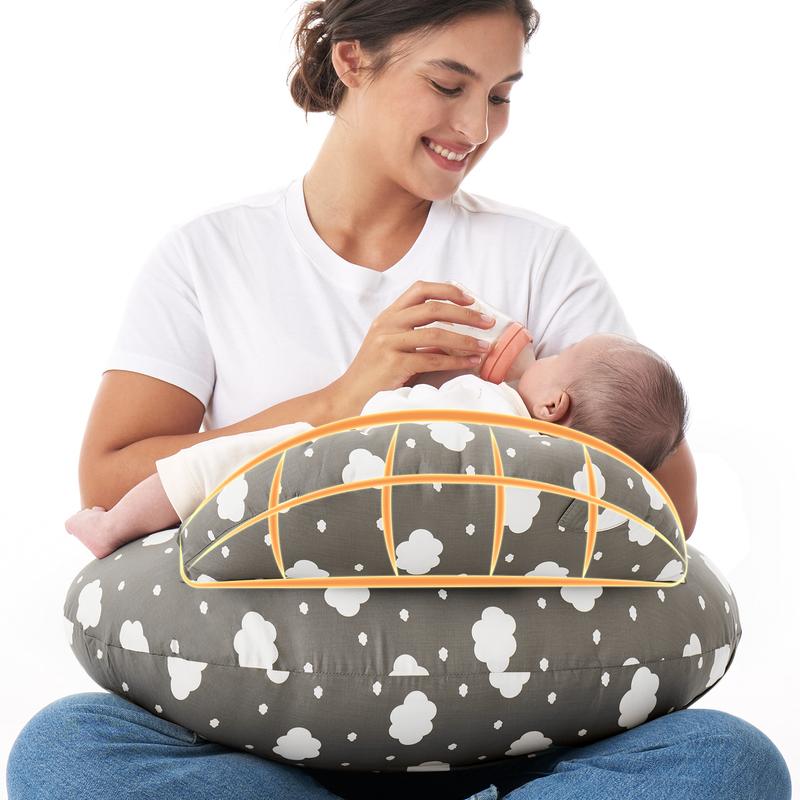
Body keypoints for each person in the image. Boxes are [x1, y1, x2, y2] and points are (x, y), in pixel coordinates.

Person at [6, 1, 791, 799]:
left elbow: (668, 501)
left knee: (727, 761)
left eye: (501, 95)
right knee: (68, 750)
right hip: (260, 733)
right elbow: (109, 480)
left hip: (519, 737)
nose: (476, 127)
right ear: (351, 60)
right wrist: (344, 398)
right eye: (449, 85)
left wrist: (511, 431)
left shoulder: (537, 256)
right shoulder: (210, 257)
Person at [63, 332, 688, 560]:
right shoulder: (556, 498)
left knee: (210, 465)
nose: (543, 354)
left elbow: (399, 409)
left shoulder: (491, 402)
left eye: (559, 356)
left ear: (554, 406)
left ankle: (114, 526)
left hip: (333, 464)